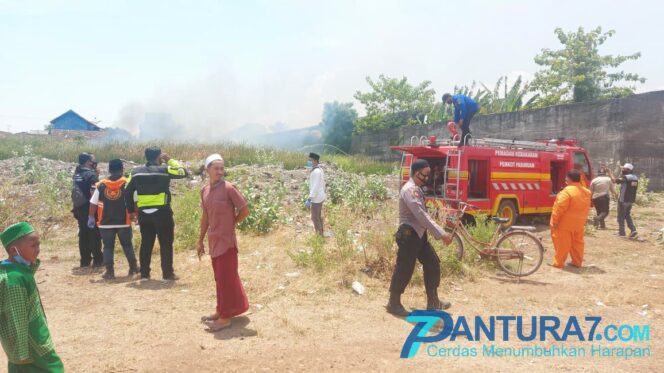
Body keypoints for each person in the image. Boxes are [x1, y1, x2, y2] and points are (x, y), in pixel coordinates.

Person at [386, 159, 454, 317]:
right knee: (404, 268)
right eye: (427, 174)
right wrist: (441, 233)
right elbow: (421, 215)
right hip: (409, 235)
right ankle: (393, 303)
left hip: (419, 235)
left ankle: (433, 302)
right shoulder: (410, 190)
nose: (429, 176)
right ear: (417, 173)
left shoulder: (416, 188)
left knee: (432, 262)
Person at [0, 222, 64, 372]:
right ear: (14, 251)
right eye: (33, 246)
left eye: (39, 245)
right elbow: (18, 317)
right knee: (53, 368)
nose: (38, 250)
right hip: (31, 343)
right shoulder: (14, 279)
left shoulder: (17, 270)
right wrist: (22, 352)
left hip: (29, 340)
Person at [197, 154, 250, 332]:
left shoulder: (228, 188)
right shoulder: (204, 191)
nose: (220, 172)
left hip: (227, 242)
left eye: (222, 168)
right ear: (207, 170)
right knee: (219, 278)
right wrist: (200, 241)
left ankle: (226, 318)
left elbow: (245, 210)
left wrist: (232, 223)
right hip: (213, 242)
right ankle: (221, 310)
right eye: (216, 168)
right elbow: (205, 217)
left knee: (227, 278)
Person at [125, 146, 189, 280]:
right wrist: (170, 160)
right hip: (162, 212)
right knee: (165, 243)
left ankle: (144, 274)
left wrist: (131, 211)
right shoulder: (164, 170)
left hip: (144, 214)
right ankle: (167, 274)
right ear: (159, 156)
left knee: (146, 243)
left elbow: (127, 191)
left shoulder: (136, 172)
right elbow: (184, 172)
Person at [89, 159, 139, 280]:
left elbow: (93, 203)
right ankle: (133, 268)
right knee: (127, 245)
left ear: (109, 170)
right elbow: (135, 201)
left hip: (105, 222)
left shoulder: (101, 185)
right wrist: (135, 214)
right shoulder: (127, 183)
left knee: (107, 247)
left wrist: (91, 217)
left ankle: (109, 272)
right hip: (124, 221)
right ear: (122, 169)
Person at [550, 169, 591, 268]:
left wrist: (554, 221)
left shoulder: (567, 192)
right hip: (579, 223)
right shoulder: (587, 192)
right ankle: (577, 262)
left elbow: (559, 207)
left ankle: (558, 263)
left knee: (562, 243)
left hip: (565, 223)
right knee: (578, 243)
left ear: (569, 179)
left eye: (566, 177)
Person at [72, 152, 103, 267]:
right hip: (89, 208)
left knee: (83, 234)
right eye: (93, 160)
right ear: (87, 162)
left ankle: (84, 260)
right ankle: (98, 259)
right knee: (94, 234)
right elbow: (93, 194)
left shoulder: (77, 173)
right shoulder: (91, 175)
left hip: (78, 207)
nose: (95, 162)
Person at [607, 163, 639, 238]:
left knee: (620, 216)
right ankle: (633, 230)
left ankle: (621, 232)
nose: (622, 170)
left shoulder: (626, 177)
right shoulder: (635, 177)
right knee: (627, 215)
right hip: (631, 200)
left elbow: (614, 181)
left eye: (624, 169)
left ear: (628, 170)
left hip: (623, 200)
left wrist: (609, 173)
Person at [305, 152, 326, 236]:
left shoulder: (316, 172)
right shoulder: (319, 170)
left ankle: (319, 236)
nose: (309, 162)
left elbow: (315, 186)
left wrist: (309, 198)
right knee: (318, 216)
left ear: (315, 161)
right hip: (319, 196)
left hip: (316, 198)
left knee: (314, 217)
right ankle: (321, 232)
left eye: (310, 160)